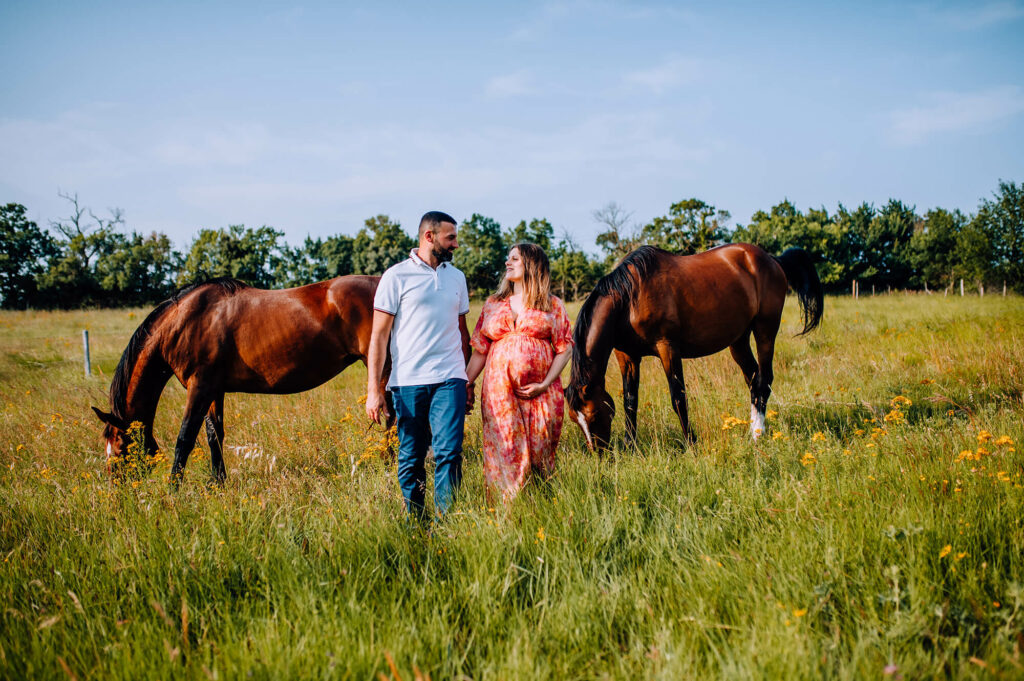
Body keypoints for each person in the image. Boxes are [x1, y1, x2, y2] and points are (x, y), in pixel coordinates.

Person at [365, 211, 472, 518]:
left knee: (450, 452)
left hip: (450, 378)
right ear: (429, 237)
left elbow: (462, 333)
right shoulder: (396, 277)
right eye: (450, 237)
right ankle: (417, 521)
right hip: (408, 381)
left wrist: (467, 380)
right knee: (411, 456)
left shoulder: (457, 278)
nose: (455, 244)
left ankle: (445, 521)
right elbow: (379, 336)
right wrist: (375, 389)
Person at [465, 243, 573, 502]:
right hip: (499, 392)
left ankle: (543, 505)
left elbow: (565, 347)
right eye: (508, 258)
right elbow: (480, 349)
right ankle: (507, 507)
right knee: (506, 446)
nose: (507, 263)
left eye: (515, 259)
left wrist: (545, 383)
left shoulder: (551, 304)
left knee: (540, 451)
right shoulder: (493, 304)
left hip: (541, 392)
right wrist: (464, 384)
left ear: (532, 265)